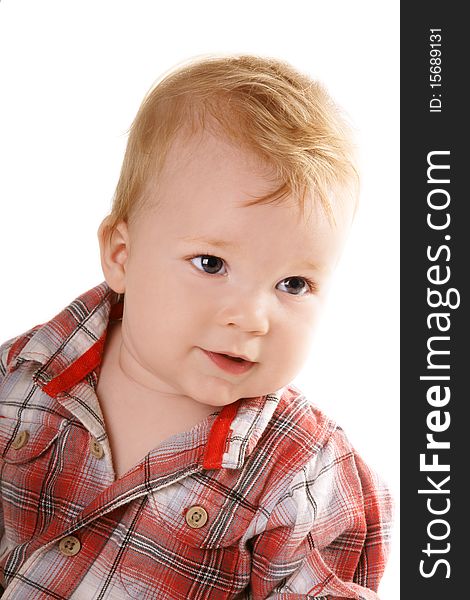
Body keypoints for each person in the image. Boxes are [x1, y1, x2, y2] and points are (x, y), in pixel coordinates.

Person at [0, 54, 392, 599]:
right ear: (121, 254)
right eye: (212, 264)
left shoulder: (302, 474)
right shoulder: (24, 372)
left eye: (294, 284)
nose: (253, 318)